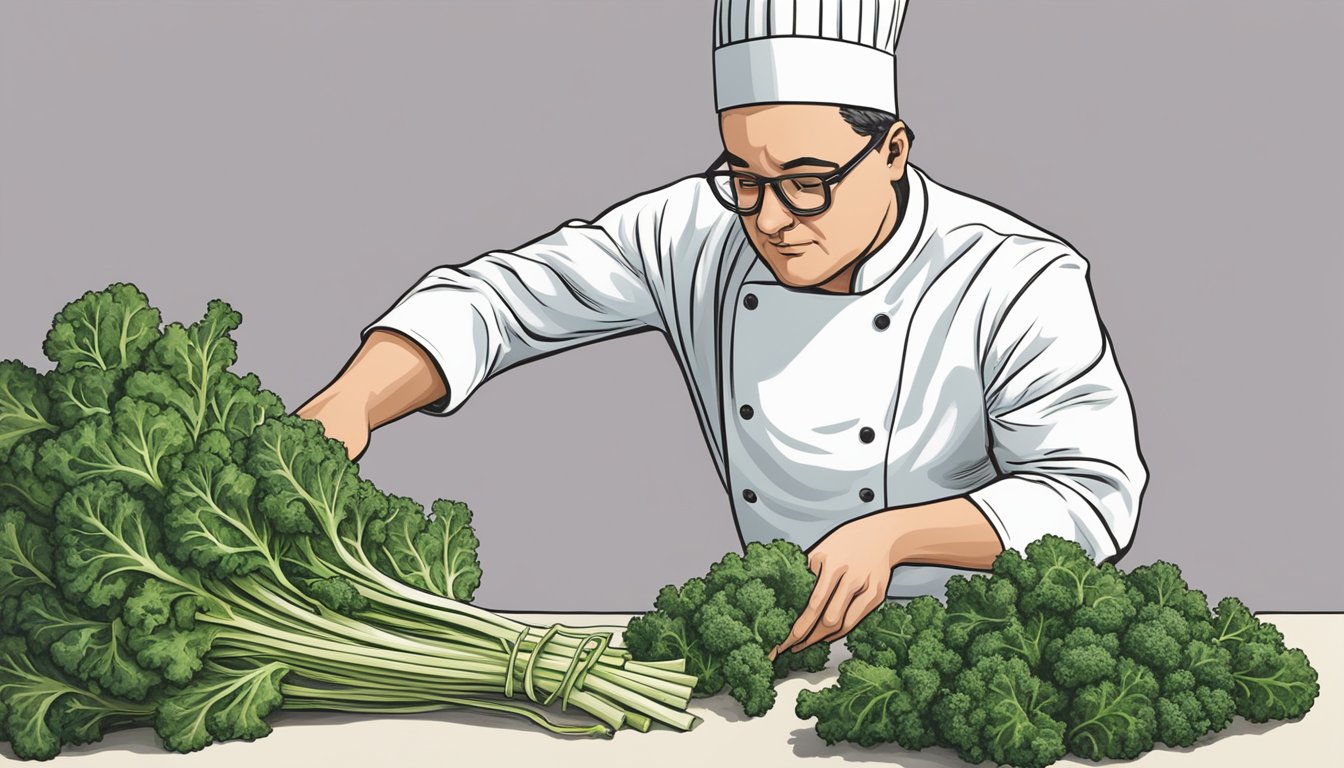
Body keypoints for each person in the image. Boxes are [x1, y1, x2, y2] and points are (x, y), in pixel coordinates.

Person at [297, 0, 1146, 661]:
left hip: (980, 656)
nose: (770, 219)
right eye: (744, 176)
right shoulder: (697, 229)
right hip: (771, 660)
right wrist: (354, 401)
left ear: (893, 150)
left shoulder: (1017, 275)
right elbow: (504, 298)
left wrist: (896, 534)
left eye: (807, 182)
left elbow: (1091, 492)